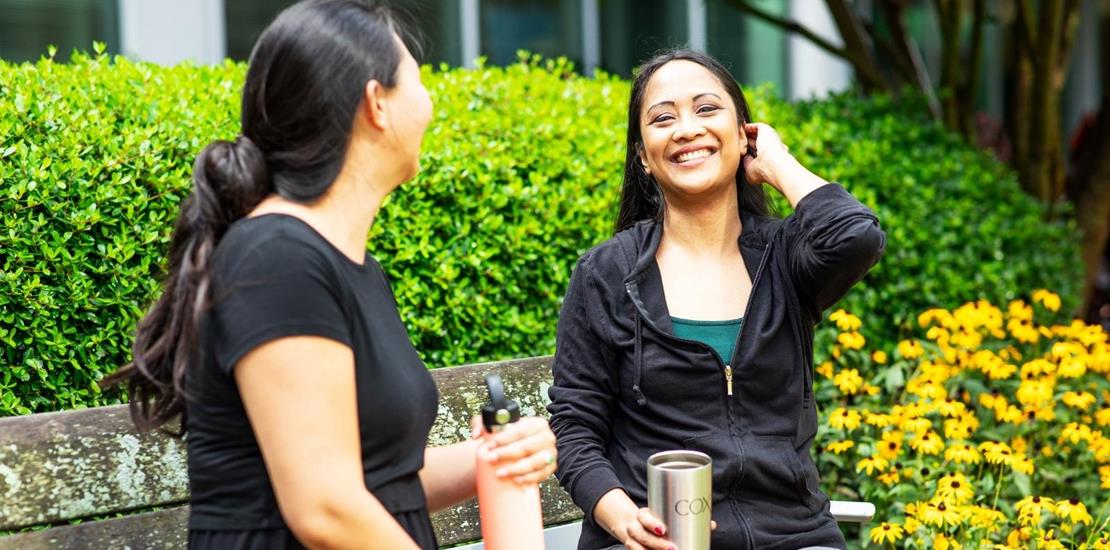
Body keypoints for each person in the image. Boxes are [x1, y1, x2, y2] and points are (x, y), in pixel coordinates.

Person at [102, 2, 556, 549]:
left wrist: (492, 456)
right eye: (418, 78)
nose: (431, 103)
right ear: (376, 103)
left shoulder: (347, 266)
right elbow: (325, 508)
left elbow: (376, 484)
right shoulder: (276, 259)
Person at [547, 49, 885, 550]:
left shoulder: (786, 257)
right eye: (663, 118)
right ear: (642, 154)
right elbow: (575, 428)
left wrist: (778, 163)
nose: (686, 129)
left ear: (744, 133)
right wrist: (624, 519)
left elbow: (856, 238)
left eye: (707, 109)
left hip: (792, 537)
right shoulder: (606, 274)